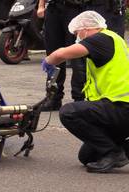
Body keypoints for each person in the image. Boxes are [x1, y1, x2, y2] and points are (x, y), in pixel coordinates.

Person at [42, 10, 129, 173]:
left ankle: (114, 153)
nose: (77, 37)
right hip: (117, 110)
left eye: (77, 33)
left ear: (87, 28)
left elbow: (61, 53)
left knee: (68, 112)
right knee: (87, 157)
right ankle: (122, 149)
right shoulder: (112, 40)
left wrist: (48, 61)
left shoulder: (101, 38)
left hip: (121, 107)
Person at [37, 0, 126, 111]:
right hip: (56, 6)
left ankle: (79, 98)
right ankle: (54, 97)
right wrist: (41, 5)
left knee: (80, 56)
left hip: (83, 6)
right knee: (57, 50)